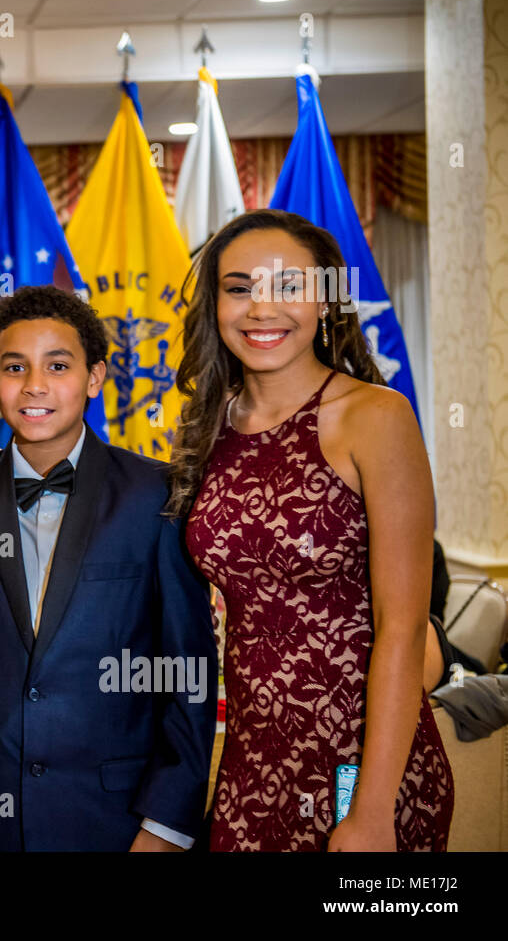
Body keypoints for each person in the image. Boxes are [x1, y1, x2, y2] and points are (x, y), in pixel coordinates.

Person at [172, 208, 453, 851]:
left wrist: (373, 809)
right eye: (240, 287)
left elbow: (404, 627)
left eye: (289, 286)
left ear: (325, 299)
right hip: (252, 762)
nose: (261, 308)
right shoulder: (210, 428)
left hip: (364, 764)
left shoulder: (375, 416)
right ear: (215, 304)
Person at [0, 286, 216, 851]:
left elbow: (189, 674)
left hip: (118, 820)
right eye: (15, 367)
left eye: (57, 365)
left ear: (94, 377)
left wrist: (163, 827)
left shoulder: (157, 496)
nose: (35, 385)